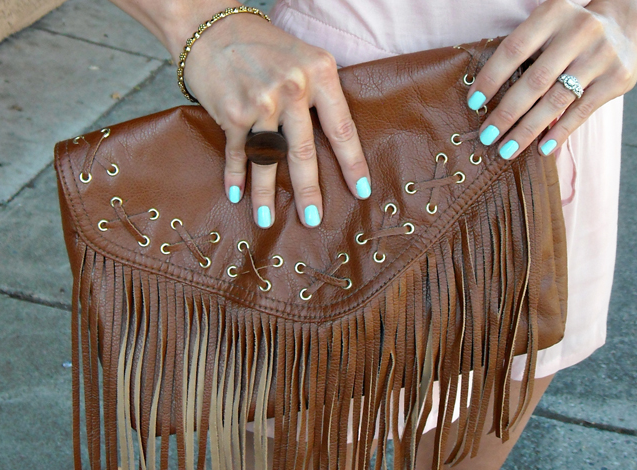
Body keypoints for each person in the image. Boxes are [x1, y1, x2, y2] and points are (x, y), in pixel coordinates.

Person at [107, 0, 637, 468]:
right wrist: (201, 25)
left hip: (555, 105)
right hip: (340, 116)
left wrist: (623, 17)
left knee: (476, 437)